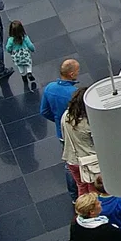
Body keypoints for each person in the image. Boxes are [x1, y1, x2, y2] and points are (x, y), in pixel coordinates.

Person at [41, 58, 80, 198]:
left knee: (70, 164)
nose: (78, 73)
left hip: (61, 133)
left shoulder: (49, 88)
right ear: (71, 74)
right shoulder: (75, 93)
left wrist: (58, 121)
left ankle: (74, 196)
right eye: (77, 71)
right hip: (76, 133)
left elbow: (44, 111)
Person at [61, 88, 98, 198]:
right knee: (93, 190)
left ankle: (82, 208)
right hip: (89, 161)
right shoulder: (88, 123)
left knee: (81, 186)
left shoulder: (66, 116)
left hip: (71, 159)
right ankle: (93, 211)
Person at [5, 20, 36, 91]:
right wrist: (32, 49)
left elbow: (8, 48)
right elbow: (30, 45)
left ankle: (23, 76)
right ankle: (29, 72)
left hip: (17, 56)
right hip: (25, 54)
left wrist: (10, 51)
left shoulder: (10, 40)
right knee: (28, 63)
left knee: (20, 66)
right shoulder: (24, 37)